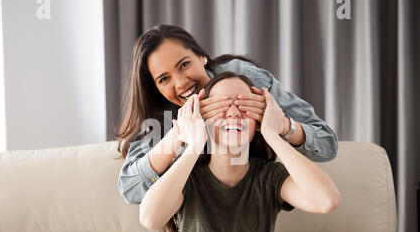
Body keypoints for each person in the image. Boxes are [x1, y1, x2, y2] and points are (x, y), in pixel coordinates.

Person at [139, 72, 341, 232]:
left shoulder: (269, 177)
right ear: (203, 119)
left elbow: (326, 201)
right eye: (222, 106)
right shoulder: (187, 176)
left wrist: (275, 133)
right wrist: (195, 144)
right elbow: (150, 219)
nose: (234, 113)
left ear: (258, 122)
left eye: (245, 107)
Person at [117, 24, 338, 204]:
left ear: (201, 56)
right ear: (155, 87)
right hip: (193, 209)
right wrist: (178, 133)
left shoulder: (245, 80)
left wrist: (281, 126)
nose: (181, 83)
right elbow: (131, 189)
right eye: (164, 79)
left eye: (184, 65)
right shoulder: (161, 112)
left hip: (257, 199)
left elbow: (327, 145)